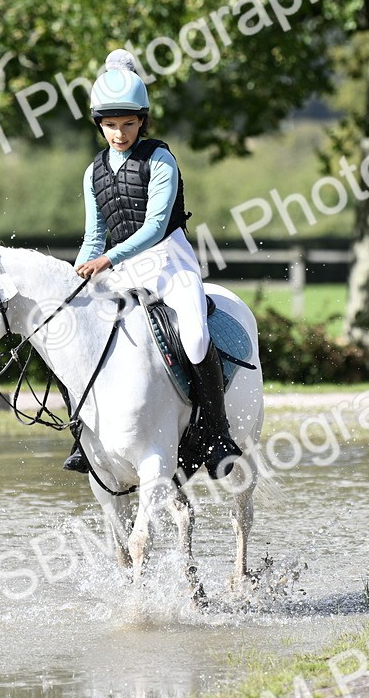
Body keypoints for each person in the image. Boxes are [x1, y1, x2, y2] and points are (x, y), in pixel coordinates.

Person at [65, 49, 241, 479]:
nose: (119, 133)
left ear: (141, 121)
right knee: (79, 331)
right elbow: (94, 235)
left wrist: (106, 258)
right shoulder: (93, 173)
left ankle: (216, 434)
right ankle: (81, 435)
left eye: (128, 124)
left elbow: (154, 226)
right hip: (120, 269)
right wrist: (79, 269)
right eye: (110, 125)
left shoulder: (161, 160)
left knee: (196, 336)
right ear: (99, 125)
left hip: (169, 261)